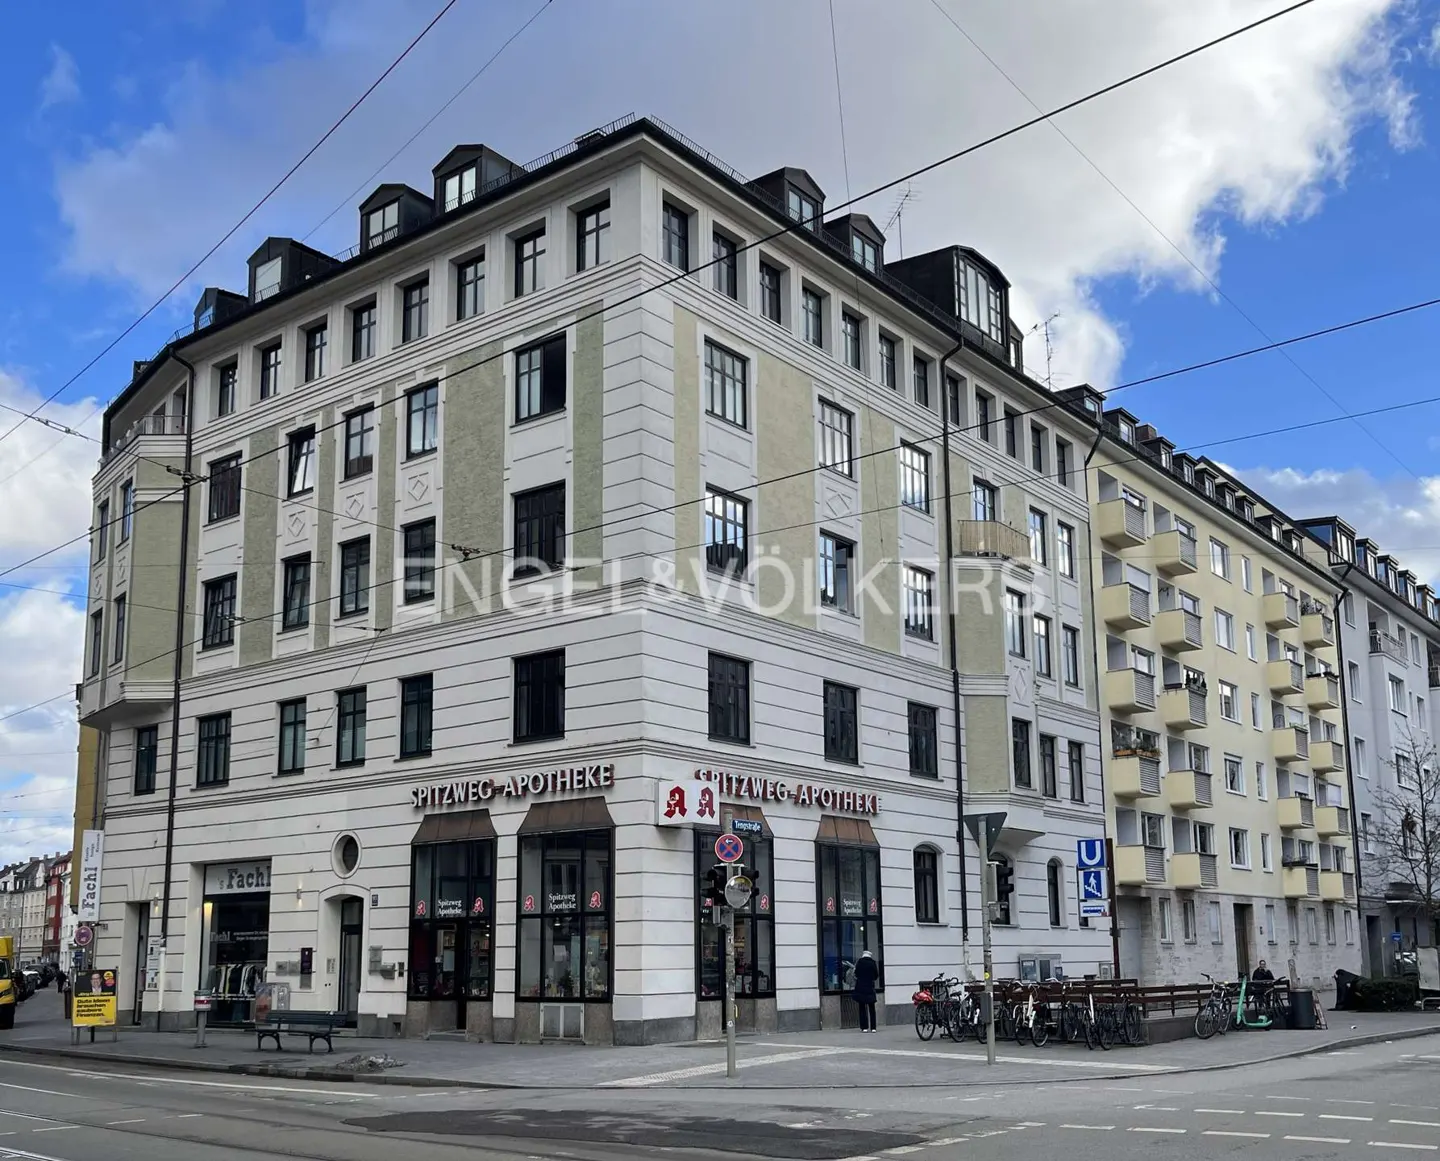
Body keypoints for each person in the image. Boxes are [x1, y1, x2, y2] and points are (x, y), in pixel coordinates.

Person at [853, 949, 880, 1033]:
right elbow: (876, 975)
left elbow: (856, 974)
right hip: (870, 987)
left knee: (862, 1007)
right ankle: (873, 1027)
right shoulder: (873, 963)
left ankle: (864, 1027)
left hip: (861, 987)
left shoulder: (859, 962)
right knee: (871, 1008)